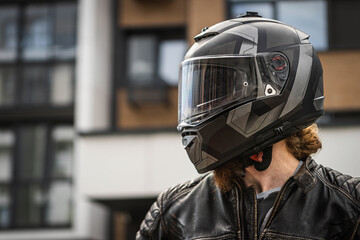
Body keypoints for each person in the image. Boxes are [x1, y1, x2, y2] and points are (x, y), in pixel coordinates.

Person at [136, 12, 360, 239]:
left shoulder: (350, 207)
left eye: (218, 92)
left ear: (275, 82)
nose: (203, 107)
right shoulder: (173, 211)